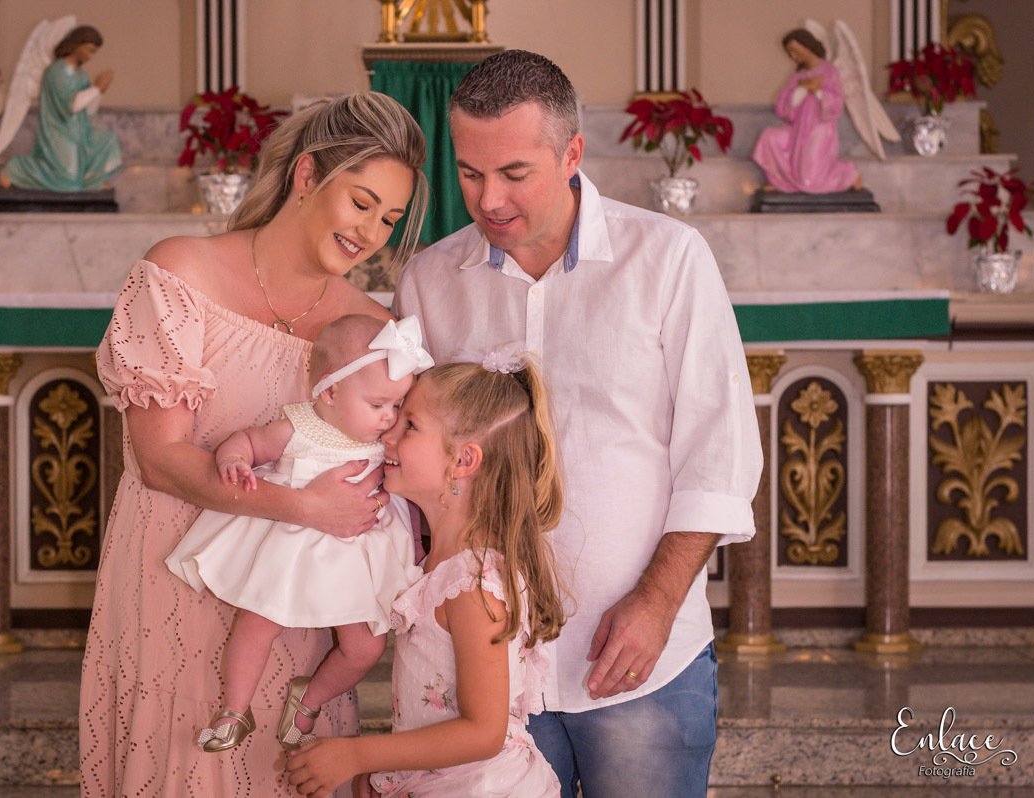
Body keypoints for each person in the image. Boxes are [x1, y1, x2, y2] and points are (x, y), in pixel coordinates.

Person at [392, 50, 763, 797]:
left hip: (636, 658)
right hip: (478, 674)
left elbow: (719, 452)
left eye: (514, 173)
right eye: (470, 173)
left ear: (572, 154)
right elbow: (402, 457)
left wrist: (657, 601)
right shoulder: (430, 281)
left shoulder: (667, 259)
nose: (488, 199)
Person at [82, 91, 429, 797]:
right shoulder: (182, 272)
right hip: (173, 576)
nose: (372, 233)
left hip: (299, 600)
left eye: (389, 218)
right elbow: (159, 459)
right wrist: (305, 507)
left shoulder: (370, 331)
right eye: (361, 203)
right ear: (306, 175)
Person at [285, 358, 567, 798]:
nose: (388, 434)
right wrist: (390, 773)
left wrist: (358, 755)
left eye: (410, 425)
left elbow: (483, 732)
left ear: (463, 460)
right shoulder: (441, 564)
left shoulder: (473, 585)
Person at [164, 314, 431, 753]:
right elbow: (248, 441)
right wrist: (234, 459)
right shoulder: (301, 429)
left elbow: (404, 492)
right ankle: (235, 709)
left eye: (397, 405)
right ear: (330, 392)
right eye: (378, 405)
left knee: (365, 648)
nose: (390, 417)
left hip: (357, 555)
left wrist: (402, 524)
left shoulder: (387, 442)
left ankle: (309, 700)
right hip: (292, 543)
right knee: (257, 623)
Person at [0, 25, 121, 192]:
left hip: (79, 131)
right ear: (76, 45)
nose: (91, 56)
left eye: (94, 52)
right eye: (89, 50)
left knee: (107, 140)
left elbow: (87, 111)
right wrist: (96, 88)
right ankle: (18, 170)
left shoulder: (81, 74)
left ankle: (90, 181)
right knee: (68, 182)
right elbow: (70, 105)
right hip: (58, 132)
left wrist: (99, 92)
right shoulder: (56, 71)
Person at [752, 28, 862, 193]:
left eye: (795, 50)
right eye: (790, 52)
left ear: (807, 45)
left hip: (818, 130)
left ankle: (847, 173)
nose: (793, 56)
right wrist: (801, 90)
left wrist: (818, 91)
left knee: (809, 181)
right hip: (797, 130)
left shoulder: (828, 71)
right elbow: (782, 108)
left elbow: (836, 104)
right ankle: (779, 180)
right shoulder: (798, 76)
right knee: (769, 137)